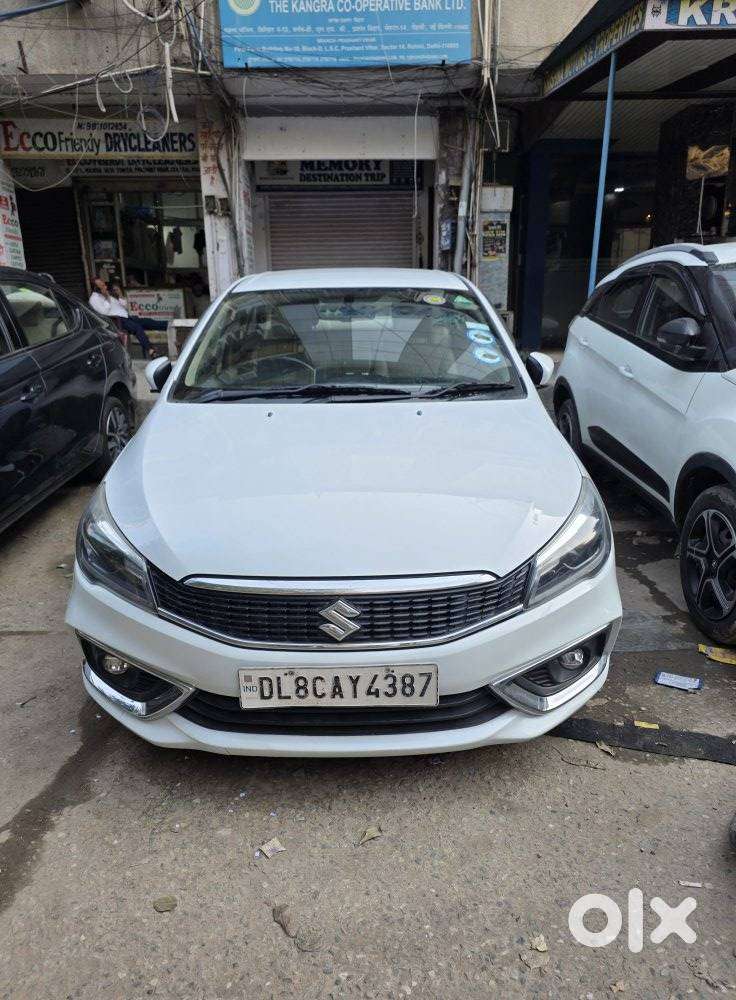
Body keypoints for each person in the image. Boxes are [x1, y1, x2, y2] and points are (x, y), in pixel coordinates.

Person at [88, 278, 156, 359]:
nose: (105, 287)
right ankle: (150, 350)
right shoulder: (94, 299)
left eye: (105, 284)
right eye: (102, 286)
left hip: (126, 316)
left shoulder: (106, 294)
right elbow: (104, 313)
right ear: (96, 288)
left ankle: (169, 325)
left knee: (148, 321)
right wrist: (107, 299)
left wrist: (119, 294)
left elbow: (124, 306)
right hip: (118, 321)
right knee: (137, 328)